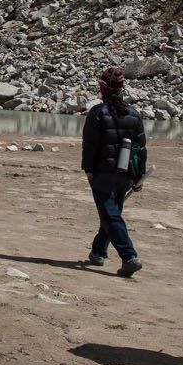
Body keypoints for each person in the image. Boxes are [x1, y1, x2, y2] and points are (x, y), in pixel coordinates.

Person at [79, 66, 147, 277]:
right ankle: (98, 251)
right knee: (112, 212)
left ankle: (129, 256)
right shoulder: (134, 115)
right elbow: (141, 148)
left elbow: (90, 145)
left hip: (102, 173)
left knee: (110, 215)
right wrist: (139, 176)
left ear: (103, 89)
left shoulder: (98, 113)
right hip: (126, 174)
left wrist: (88, 169)